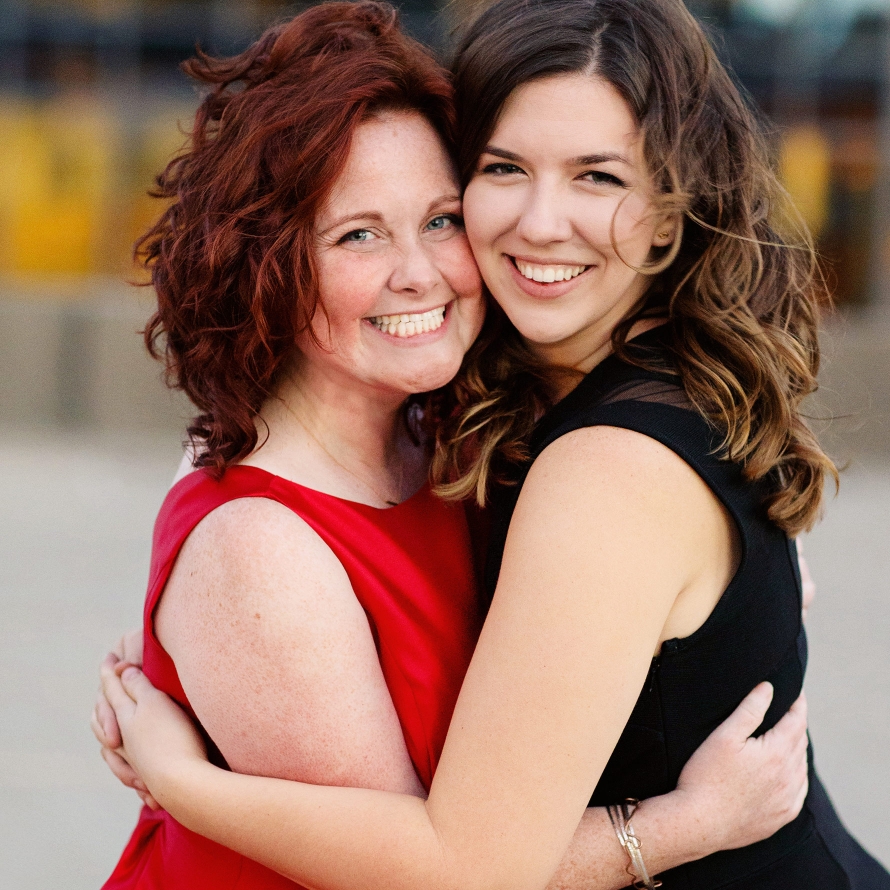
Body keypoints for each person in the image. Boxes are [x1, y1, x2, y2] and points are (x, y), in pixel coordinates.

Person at [94, 2, 822, 889]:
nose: (422, 272)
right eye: (359, 234)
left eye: (440, 219)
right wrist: (682, 825)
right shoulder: (268, 543)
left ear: (671, 213)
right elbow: (451, 876)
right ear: (267, 266)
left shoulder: (456, 428)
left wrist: (183, 778)